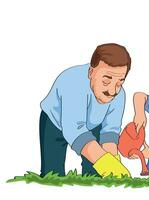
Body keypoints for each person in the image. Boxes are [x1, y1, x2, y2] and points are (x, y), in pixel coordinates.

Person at [39, 43, 132, 178]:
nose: (113, 91)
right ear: (91, 72)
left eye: (119, 83)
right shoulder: (72, 83)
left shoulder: (120, 95)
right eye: (106, 81)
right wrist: (105, 163)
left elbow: (110, 131)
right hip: (55, 122)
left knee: (95, 175)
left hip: (94, 123)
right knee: (52, 174)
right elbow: (74, 130)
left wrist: (113, 162)